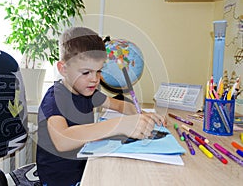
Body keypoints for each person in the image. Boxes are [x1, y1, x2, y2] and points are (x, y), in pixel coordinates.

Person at [36, 26, 166, 186]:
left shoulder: (88, 92)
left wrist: (141, 114)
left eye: (98, 71)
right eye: (86, 72)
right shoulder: (55, 98)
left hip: (83, 167)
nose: (94, 79)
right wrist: (119, 125)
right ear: (63, 69)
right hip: (60, 180)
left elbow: (119, 106)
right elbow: (62, 140)